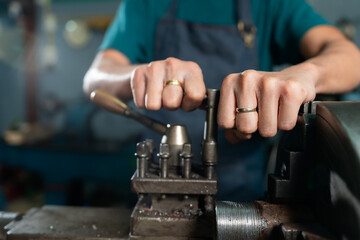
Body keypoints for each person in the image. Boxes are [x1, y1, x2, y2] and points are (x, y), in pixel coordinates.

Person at [83, 0, 360, 201]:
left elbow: (350, 58)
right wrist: (138, 75)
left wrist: (305, 74)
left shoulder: (272, 5)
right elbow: (95, 78)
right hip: (157, 185)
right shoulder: (146, 4)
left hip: (244, 196)